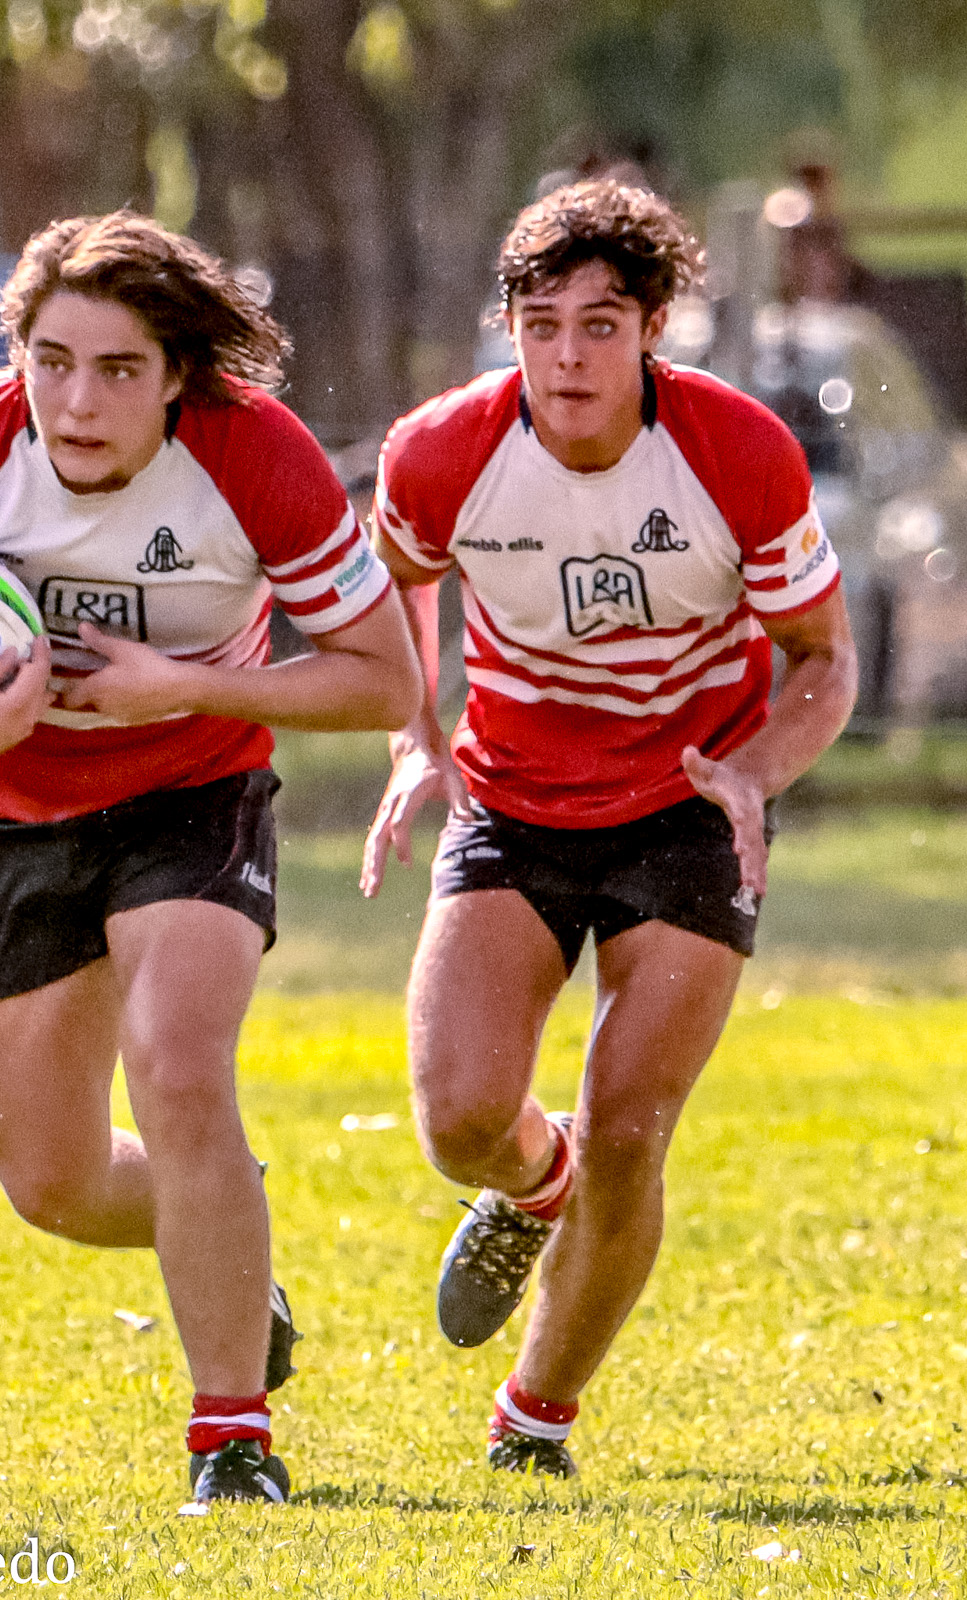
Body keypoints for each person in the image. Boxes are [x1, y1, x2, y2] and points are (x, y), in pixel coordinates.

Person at [0, 209, 422, 1506]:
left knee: (182, 1071)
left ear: (178, 375)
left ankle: (231, 1441)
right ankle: (228, 1245)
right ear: (17, 355)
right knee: (58, 1187)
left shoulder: (254, 457)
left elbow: (382, 682)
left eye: (120, 369)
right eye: (54, 361)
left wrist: (179, 685)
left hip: (192, 790)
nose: (79, 401)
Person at [361, 179, 857, 1476]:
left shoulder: (738, 453)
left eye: (600, 325)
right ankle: (537, 1180)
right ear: (508, 327)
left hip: (690, 805)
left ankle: (535, 1417)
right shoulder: (443, 450)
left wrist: (758, 771)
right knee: (461, 1117)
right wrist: (416, 736)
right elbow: (393, 589)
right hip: (516, 801)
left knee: (634, 1122)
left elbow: (824, 660)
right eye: (541, 324)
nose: (567, 356)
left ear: (654, 331)